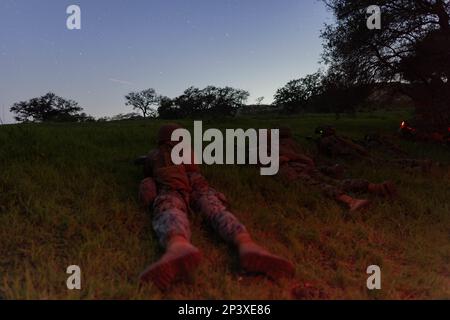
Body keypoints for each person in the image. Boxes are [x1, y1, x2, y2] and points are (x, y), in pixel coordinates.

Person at [137, 124, 295, 290]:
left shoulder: (155, 154)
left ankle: (178, 245)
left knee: (170, 209)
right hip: (199, 185)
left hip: (172, 187)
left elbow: (148, 171)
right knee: (216, 209)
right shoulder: (189, 152)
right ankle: (247, 244)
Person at [275, 127, 397, 212]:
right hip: (306, 166)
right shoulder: (292, 144)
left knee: (315, 185)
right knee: (335, 182)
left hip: (293, 170)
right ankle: (375, 187)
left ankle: (352, 201)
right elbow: (307, 157)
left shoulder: (275, 146)